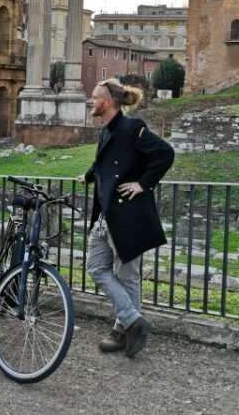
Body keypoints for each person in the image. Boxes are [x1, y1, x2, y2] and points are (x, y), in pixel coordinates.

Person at [79, 79, 174, 358]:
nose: (91, 102)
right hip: (107, 214)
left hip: (127, 214)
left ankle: (122, 332)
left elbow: (165, 153)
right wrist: (88, 174)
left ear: (108, 102)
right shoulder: (107, 130)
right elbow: (105, 161)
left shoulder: (132, 127)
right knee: (96, 267)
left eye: (94, 98)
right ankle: (133, 319)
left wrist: (143, 184)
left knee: (128, 276)